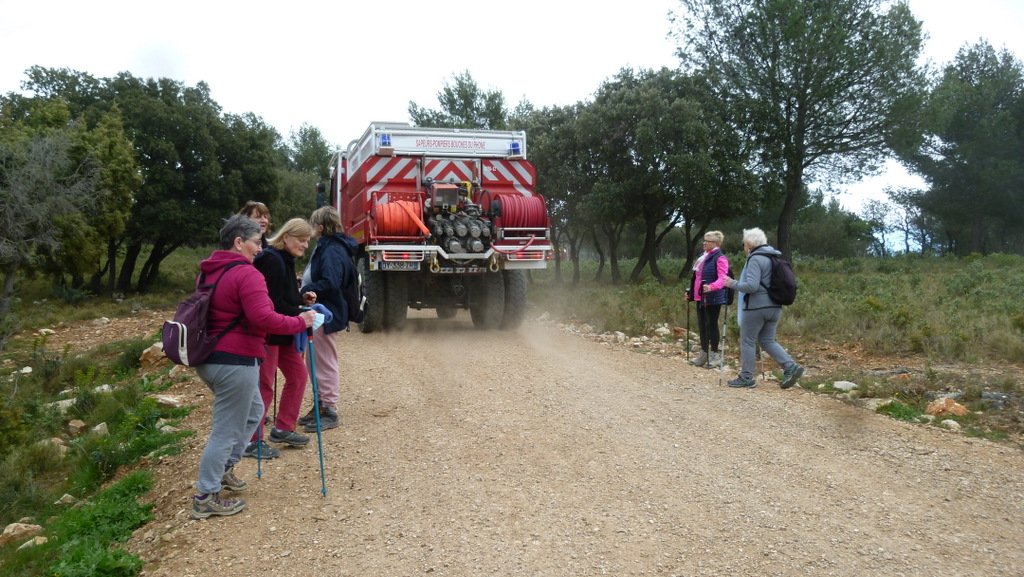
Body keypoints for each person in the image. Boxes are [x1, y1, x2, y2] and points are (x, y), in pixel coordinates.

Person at [191, 215, 316, 520]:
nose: (260, 249)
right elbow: (264, 318)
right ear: (238, 242)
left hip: (209, 357)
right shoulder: (247, 274)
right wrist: (301, 321)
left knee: (253, 413)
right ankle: (205, 495)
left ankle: (224, 471)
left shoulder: (209, 272)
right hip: (235, 360)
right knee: (226, 429)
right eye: (257, 242)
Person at [242, 218, 318, 460]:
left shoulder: (284, 260)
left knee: (298, 376)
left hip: (283, 332)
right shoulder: (273, 261)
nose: (305, 245)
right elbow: (271, 304)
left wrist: (302, 299)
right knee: (264, 385)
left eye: (307, 241)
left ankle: (284, 428)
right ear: (286, 237)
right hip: (269, 333)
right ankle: (252, 441)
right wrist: (302, 314)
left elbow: (284, 296)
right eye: (302, 240)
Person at [297, 206, 359, 433]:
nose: (311, 229)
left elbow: (331, 281)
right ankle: (320, 404)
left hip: (326, 310)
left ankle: (329, 409)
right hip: (323, 309)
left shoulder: (332, 249)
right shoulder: (330, 246)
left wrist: (308, 288)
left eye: (313, 225)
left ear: (320, 227)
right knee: (315, 360)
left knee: (324, 360)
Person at [723, 227, 803, 390]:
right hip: (774, 306)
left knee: (747, 341)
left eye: (744, 244)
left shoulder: (755, 259)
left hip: (756, 307)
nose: (744, 247)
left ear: (750, 245)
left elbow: (751, 286)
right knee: (767, 340)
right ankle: (790, 366)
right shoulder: (774, 257)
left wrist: (732, 283)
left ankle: (746, 377)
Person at [687, 231, 729, 369]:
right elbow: (697, 278)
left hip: (713, 297)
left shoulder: (720, 258)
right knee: (702, 325)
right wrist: (692, 294)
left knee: (711, 325)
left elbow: (723, 279)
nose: (704, 243)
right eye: (704, 240)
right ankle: (704, 353)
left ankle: (715, 355)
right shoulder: (702, 257)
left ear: (716, 243)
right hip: (701, 296)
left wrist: (711, 287)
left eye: (708, 241)